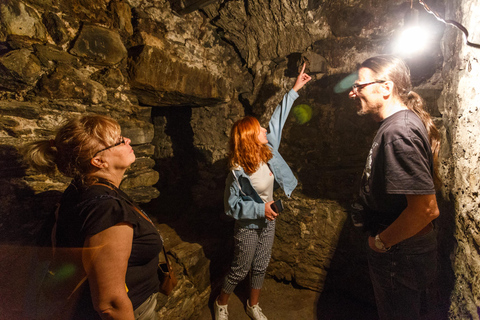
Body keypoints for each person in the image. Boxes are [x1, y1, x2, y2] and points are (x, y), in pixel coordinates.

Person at [23, 115, 162, 320]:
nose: (128, 141)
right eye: (119, 141)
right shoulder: (107, 210)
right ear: (98, 160)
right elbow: (110, 303)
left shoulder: (81, 189)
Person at [215, 63, 311, 320]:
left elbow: (277, 120)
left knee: (261, 265)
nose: (265, 130)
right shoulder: (237, 171)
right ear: (249, 138)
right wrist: (260, 209)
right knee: (240, 268)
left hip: (269, 221)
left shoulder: (268, 152)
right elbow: (230, 207)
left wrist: (294, 89)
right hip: (248, 224)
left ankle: (252, 305)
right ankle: (221, 303)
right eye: (259, 129)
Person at [348, 55, 441, 320]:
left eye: (360, 85)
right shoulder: (397, 125)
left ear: (386, 87)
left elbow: (425, 210)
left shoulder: (398, 131)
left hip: (400, 253)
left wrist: (381, 243)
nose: (353, 93)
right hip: (403, 250)